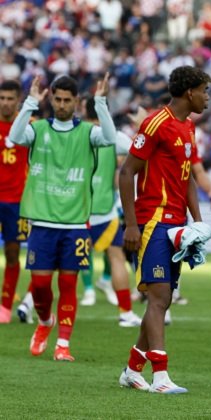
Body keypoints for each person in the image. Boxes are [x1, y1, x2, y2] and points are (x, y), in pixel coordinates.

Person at [118, 66, 211, 393]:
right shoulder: (156, 123)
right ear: (190, 92)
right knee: (158, 297)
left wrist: (197, 221)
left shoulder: (187, 127)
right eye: (204, 91)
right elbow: (127, 172)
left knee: (165, 298)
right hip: (153, 220)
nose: (207, 98)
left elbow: (186, 180)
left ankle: (132, 369)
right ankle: (160, 375)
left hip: (176, 224)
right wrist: (131, 224)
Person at [8, 73, 116, 360]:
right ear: (51, 99)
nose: (62, 105)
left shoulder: (87, 133)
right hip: (42, 223)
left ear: (77, 102)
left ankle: (63, 345)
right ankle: (45, 322)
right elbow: (14, 137)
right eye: (58, 99)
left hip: (76, 225)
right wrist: (31, 101)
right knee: (41, 285)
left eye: (68, 100)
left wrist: (101, 101)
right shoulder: (39, 129)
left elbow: (110, 137)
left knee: (68, 284)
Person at [80, 97, 142, 327]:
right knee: (116, 258)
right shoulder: (114, 136)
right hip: (106, 210)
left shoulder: (77, 132)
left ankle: (32, 305)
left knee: (61, 262)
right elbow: (139, 148)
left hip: (75, 211)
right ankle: (125, 312)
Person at [0, 80, 31, 324]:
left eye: (10, 98)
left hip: (15, 202)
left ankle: (5, 307)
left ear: (17, 99)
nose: (5, 103)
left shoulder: (27, 127)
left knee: (12, 254)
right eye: (2, 98)